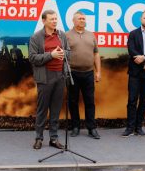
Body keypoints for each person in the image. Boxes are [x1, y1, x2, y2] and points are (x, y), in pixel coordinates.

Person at [29, 10, 70, 150]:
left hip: (60, 76)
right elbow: (33, 58)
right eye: (51, 19)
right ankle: (39, 138)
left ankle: (54, 138)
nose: (54, 21)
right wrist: (51, 55)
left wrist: (64, 54)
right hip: (45, 77)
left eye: (55, 19)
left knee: (56, 109)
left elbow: (69, 52)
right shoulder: (36, 37)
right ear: (44, 21)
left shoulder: (61, 35)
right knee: (42, 110)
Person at [66, 11, 101, 139]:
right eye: (80, 18)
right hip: (72, 73)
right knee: (73, 101)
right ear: (73, 21)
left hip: (88, 73)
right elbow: (62, 55)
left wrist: (98, 72)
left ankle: (91, 128)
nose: (82, 20)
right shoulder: (66, 35)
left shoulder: (91, 35)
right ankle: (75, 127)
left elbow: (96, 54)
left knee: (90, 101)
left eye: (84, 19)